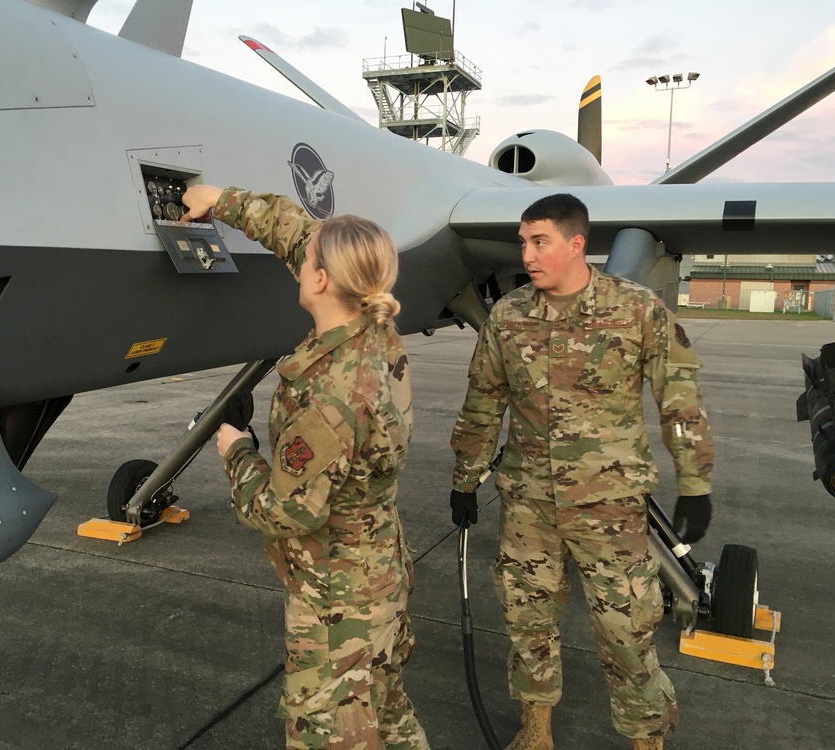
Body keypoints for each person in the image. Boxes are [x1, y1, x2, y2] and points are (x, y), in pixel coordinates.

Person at [448, 193, 714, 750]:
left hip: (609, 506)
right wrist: (465, 479)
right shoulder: (509, 316)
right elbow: (482, 402)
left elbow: (680, 398)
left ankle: (647, 739)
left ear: (577, 245)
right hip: (528, 507)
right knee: (528, 624)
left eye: (539, 241)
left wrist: (694, 483)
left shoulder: (637, 310)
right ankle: (536, 727)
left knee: (626, 630)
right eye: (523, 242)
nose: (527, 254)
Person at [180, 184, 429, 750]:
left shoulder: (331, 394)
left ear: (321, 281)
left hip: (338, 609)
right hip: (381, 579)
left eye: (310, 262)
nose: (301, 261)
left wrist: (235, 451)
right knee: (390, 722)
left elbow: (285, 511)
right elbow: (300, 234)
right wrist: (221, 199)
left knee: (330, 737)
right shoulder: (375, 329)